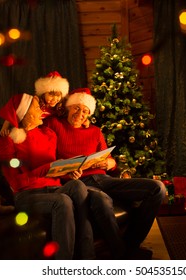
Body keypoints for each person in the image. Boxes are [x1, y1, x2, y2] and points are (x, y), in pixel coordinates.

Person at [43, 88, 166, 259]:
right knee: (102, 200)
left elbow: (112, 160)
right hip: (78, 184)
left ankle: (130, 245)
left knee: (157, 188)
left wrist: (108, 162)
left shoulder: (94, 131)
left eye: (85, 111)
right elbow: (37, 112)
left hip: (103, 179)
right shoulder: (54, 124)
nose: (80, 114)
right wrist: (67, 173)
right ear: (67, 107)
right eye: (76, 108)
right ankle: (122, 253)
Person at [0, 93, 95, 260]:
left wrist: (69, 172)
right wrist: (47, 168)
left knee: (78, 186)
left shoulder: (49, 134)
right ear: (24, 114)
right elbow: (16, 182)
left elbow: (55, 169)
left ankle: (88, 258)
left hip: (55, 187)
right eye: (35, 107)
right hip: (27, 194)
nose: (41, 109)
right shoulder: (8, 141)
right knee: (62, 201)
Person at [0, 71, 69, 137]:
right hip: (21, 128)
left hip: (38, 132)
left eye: (58, 96)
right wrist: (5, 127)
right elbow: (12, 109)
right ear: (43, 93)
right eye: (51, 95)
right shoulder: (34, 103)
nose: (54, 99)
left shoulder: (58, 108)